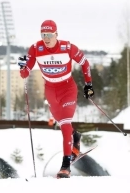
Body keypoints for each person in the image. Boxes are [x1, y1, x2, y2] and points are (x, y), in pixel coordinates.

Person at [18, 20, 95, 178]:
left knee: (65, 125)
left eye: (49, 35)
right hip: (50, 91)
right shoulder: (35, 49)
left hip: (67, 89)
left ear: (56, 34)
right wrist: (22, 66)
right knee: (63, 125)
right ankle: (76, 137)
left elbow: (85, 63)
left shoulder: (68, 48)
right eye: (43, 34)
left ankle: (65, 166)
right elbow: (25, 73)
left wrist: (88, 85)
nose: (46, 38)